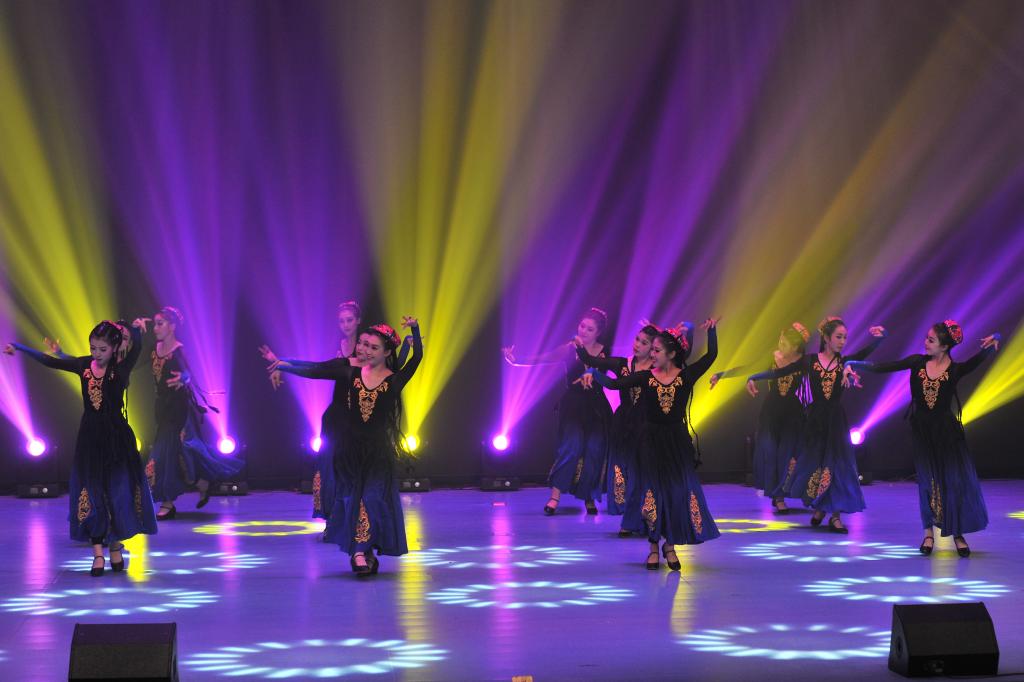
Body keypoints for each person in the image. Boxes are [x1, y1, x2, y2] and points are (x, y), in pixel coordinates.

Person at [5, 319, 157, 575]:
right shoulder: (84, 365)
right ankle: (98, 553)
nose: (96, 354)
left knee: (117, 494)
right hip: (90, 439)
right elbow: (50, 361)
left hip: (117, 439)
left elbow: (139, 346)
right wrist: (19, 347)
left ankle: (115, 546)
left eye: (102, 349)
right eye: (93, 348)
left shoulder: (121, 368)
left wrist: (135, 328)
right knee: (92, 493)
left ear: (114, 348)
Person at [846, 321, 1000, 556]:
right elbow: (881, 367)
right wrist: (851, 363)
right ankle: (928, 533)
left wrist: (996, 335)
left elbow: (980, 358)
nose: (925, 342)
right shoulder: (917, 362)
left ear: (944, 346)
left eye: (931, 340)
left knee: (952, 482)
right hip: (922, 432)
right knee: (927, 483)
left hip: (946, 434)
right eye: (926, 338)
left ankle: (957, 533)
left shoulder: (955, 370)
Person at [584, 319, 721, 571]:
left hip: (676, 443)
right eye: (652, 350)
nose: (652, 354)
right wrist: (594, 373)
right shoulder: (645, 377)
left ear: (671, 354)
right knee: (652, 494)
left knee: (675, 494)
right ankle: (653, 548)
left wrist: (711, 331)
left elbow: (711, 355)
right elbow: (614, 384)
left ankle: (670, 545)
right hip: (649, 442)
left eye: (657, 350)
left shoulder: (686, 376)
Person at [747, 317, 886, 533]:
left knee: (837, 466)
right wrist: (754, 377)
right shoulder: (810, 361)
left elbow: (864, 354)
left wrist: (880, 339)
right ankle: (821, 507)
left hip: (835, 421)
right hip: (814, 421)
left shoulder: (845, 362)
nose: (842, 341)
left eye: (845, 338)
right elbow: (781, 372)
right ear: (826, 338)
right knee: (816, 466)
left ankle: (835, 516)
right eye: (838, 337)